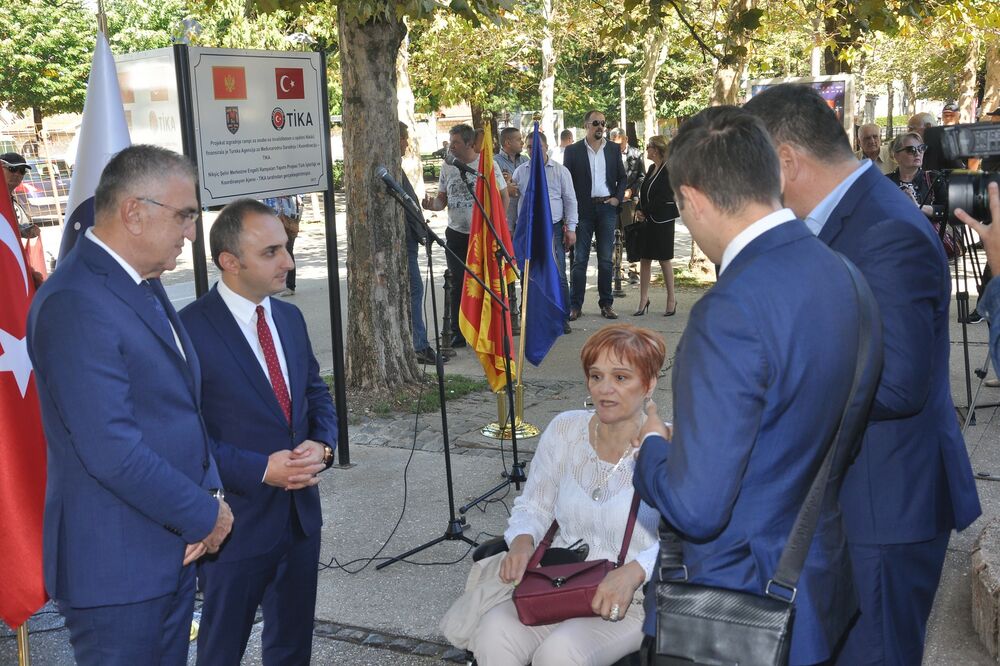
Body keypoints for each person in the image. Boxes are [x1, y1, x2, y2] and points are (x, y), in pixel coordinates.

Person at [745, 84, 982, 665]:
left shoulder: (885, 228)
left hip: (882, 508)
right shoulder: (845, 217)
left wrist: (764, 388)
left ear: (785, 160)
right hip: (854, 501)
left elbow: (896, 383)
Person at [634, 105, 878, 665]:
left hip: (733, 608)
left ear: (691, 199)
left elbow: (697, 508)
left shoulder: (728, 312)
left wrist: (651, 448)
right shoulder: (845, 272)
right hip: (813, 586)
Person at [26, 144, 234, 665]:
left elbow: (180, 411)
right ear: (134, 213)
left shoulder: (140, 282)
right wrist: (204, 514)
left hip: (165, 551)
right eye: (184, 215)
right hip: (116, 569)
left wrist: (207, 499)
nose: (193, 233)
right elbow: (111, 450)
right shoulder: (76, 301)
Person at [179, 198, 337, 665]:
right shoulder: (188, 330)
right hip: (233, 526)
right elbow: (184, 438)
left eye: (285, 247)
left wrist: (323, 445)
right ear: (230, 262)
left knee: (292, 648)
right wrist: (260, 470)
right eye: (271, 252)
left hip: (300, 520)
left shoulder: (288, 318)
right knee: (221, 650)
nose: (288, 261)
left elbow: (315, 393)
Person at [470, 324, 663, 665]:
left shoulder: (669, 447)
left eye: (621, 377)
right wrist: (522, 540)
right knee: (492, 633)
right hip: (558, 584)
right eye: (596, 376)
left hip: (629, 599)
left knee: (559, 653)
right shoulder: (565, 428)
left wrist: (637, 570)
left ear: (648, 384)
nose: (604, 389)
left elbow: (690, 539)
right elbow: (535, 504)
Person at [421, 123, 508, 348]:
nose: (451, 147)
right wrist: (432, 205)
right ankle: (459, 332)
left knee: (486, 281)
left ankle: (489, 329)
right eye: (450, 142)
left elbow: (503, 196)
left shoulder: (487, 164)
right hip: (457, 233)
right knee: (458, 281)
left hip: (483, 234)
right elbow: (442, 199)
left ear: (469, 143)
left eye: (456, 142)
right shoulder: (447, 166)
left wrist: (498, 226)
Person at [512, 130, 578, 334]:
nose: (533, 151)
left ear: (546, 147)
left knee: (558, 274)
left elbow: (570, 200)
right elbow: (514, 203)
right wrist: (512, 228)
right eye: (529, 147)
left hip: (553, 229)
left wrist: (571, 228)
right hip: (529, 230)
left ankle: (562, 316)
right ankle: (530, 317)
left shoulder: (560, 171)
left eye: (537, 147)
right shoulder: (521, 172)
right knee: (528, 273)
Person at [563, 110, 627, 320]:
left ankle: (606, 304)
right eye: (596, 123)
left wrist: (617, 198)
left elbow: (622, 177)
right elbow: (567, 183)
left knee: (606, 259)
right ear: (586, 126)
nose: (600, 126)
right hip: (582, 210)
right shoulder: (573, 151)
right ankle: (575, 305)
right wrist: (568, 213)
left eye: (603, 123)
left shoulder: (613, 149)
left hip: (607, 208)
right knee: (579, 259)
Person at [398, 122, 443, 365]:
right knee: (414, 290)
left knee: (414, 290)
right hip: (404, 243)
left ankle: (417, 343)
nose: (406, 143)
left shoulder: (396, 168)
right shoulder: (390, 169)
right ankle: (418, 345)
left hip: (411, 240)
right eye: (403, 137)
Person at [630, 135, 678, 318]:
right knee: (645, 258)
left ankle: (671, 299)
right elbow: (644, 193)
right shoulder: (651, 168)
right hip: (648, 220)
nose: (646, 150)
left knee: (664, 259)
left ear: (656, 150)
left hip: (663, 220)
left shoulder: (668, 170)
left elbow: (663, 197)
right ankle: (643, 299)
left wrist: (645, 211)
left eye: (649, 146)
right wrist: (639, 209)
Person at [610, 127, 645, 285]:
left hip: (629, 201)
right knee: (614, 235)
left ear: (626, 140)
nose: (617, 147)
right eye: (614, 144)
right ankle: (617, 269)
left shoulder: (636, 154)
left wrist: (632, 190)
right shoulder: (608, 154)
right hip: (613, 200)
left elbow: (642, 177)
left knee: (631, 235)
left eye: (620, 144)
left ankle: (633, 270)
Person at [262, 193, 302, 295]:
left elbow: (299, 196)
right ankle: (276, 284)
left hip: (287, 218)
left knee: (287, 251)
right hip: (270, 219)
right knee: (271, 252)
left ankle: (290, 286)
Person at [495, 127, 528, 231]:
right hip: (507, 220)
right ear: (508, 143)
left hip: (525, 217)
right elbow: (489, 190)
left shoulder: (526, 161)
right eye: (519, 139)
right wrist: (505, 189)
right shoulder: (494, 163)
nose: (522, 142)